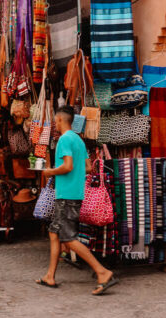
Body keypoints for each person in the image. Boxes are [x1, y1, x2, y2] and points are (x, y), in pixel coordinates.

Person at [37, 106, 117, 295]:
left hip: (66, 195)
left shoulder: (64, 139)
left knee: (68, 238)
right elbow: (89, 168)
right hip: (75, 193)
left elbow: (68, 166)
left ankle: (102, 272)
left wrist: (50, 171)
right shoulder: (79, 141)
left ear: (60, 120)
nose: (55, 124)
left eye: (55, 121)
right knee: (54, 233)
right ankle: (50, 276)